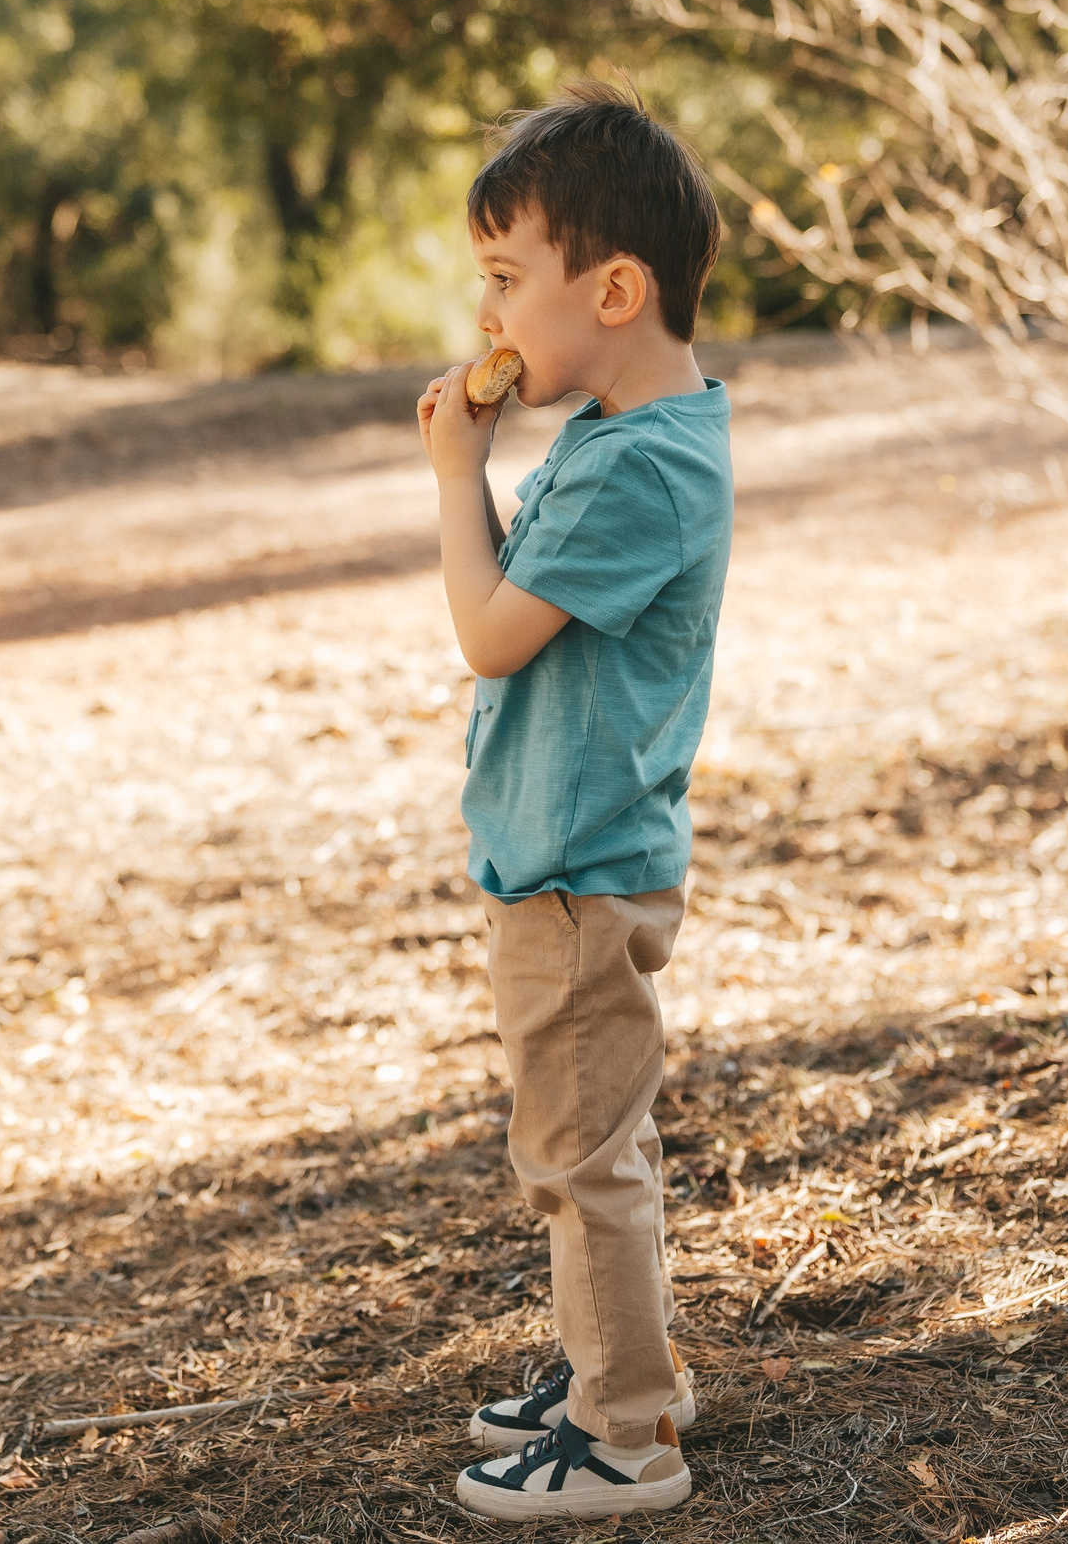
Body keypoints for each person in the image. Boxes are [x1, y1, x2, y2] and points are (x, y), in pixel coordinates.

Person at [411, 79, 731, 1522]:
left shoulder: (634, 470)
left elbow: (488, 633)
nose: (486, 319)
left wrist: (449, 477)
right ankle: (615, 1358)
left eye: (502, 279)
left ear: (614, 287)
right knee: (590, 1145)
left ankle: (626, 1439)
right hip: (565, 855)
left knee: (579, 1156)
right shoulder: (617, 442)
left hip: (576, 870)